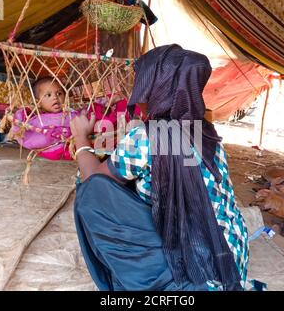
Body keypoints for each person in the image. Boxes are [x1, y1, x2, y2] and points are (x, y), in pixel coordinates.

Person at [70, 45, 265, 291]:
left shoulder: (147, 137)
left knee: (93, 195)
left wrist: (80, 140)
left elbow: (94, 183)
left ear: (156, 88)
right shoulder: (207, 133)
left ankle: (150, 282)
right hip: (230, 267)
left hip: (193, 278)